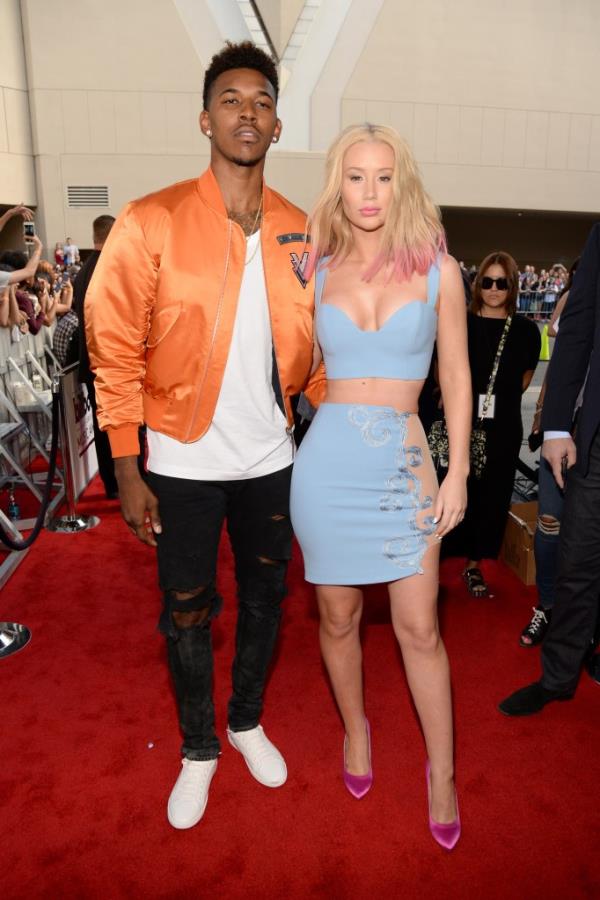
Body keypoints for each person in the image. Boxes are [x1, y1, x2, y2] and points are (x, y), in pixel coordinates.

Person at [85, 41, 315, 829]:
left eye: (260, 101)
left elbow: (317, 348)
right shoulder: (153, 220)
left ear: (277, 124)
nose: (246, 112)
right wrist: (125, 461)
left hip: (272, 459)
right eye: (231, 100)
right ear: (204, 118)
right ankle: (197, 748)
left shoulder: (299, 230)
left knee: (266, 598)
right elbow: (111, 342)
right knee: (186, 609)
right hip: (180, 459)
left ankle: (244, 719)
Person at [290, 124, 471, 850]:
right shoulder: (314, 267)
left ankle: (444, 773)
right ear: (339, 182)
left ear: (403, 182)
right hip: (327, 463)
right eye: (356, 176)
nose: (369, 192)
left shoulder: (439, 270)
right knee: (335, 619)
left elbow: (455, 376)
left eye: (384, 176)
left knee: (420, 627)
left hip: (403, 464)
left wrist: (458, 468)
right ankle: (356, 731)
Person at [500, 222, 600, 715]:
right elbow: (578, 328)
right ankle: (559, 678)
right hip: (595, 439)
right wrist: (557, 425)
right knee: (577, 561)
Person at [442, 252, 541, 597]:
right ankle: (435, 563)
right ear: (477, 284)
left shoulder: (527, 331)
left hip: (502, 428)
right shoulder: (459, 323)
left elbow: (525, 380)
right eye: (487, 281)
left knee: (491, 496)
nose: (494, 289)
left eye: (502, 282)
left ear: (512, 286)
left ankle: (473, 565)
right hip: (457, 422)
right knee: (448, 486)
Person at [67, 215, 121, 497]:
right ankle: (124, 482)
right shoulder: (112, 268)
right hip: (113, 363)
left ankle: (112, 484)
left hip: (93, 361)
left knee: (102, 427)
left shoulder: (82, 272)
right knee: (122, 425)